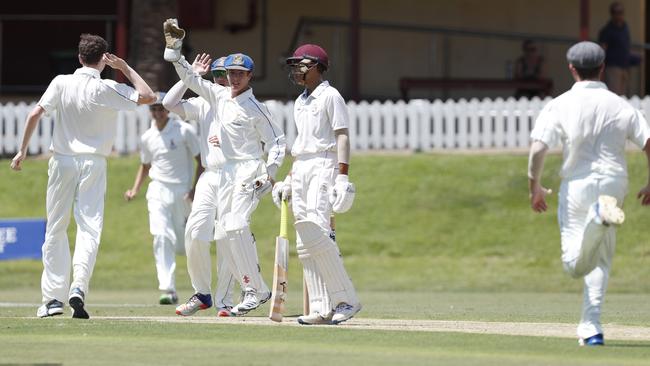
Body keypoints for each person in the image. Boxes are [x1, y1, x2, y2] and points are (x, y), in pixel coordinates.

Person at [9, 34, 156, 319]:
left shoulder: (61, 82)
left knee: (56, 228)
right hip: (94, 163)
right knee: (89, 228)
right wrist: (124, 67)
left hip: (62, 161)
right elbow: (149, 96)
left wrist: (22, 151)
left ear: (79, 58)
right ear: (104, 59)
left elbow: (34, 115)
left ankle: (52, 299)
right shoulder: (108, 87)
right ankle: (78, 286)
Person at [527, 41, 650, 346]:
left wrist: (535, 187)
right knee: (600, 258)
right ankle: (591, 327)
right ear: (603, 67)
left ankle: (597, 220)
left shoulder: (560, 104)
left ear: (572, 69)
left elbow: (539, 148)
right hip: (613, 185)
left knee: (574, 265)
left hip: (577, 186)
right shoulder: (621, 105)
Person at [163, 18, 287, 316]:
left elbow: (278, 143)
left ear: (249, 76)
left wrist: (269, 175)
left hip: (249, 171)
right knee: (198, 230)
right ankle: (210, 292)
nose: (233, 78)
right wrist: (174, 51)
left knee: (234, 227)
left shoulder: (256, 107)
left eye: (239, 74)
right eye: (230, 73)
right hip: (223, 173)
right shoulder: (217, 95)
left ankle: (254, 289)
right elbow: (191, 82)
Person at [273, 44, 362, 325]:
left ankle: (346, 300)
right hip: (302, 167)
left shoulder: (331, 96)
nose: (296, 70)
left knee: (319, 235)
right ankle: (323, 307)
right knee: (304, 241)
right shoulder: (300, 101)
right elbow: (301, 146)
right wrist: (289, 178)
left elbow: (342, 136)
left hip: (324, 165)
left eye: (301, 64)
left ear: (317, 66)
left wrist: (343, 175)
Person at [163, 54, 242, 317]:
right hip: (209, 175)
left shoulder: (243, 104)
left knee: (226, 237)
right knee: (194, 233)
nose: (222, 81)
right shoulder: (204, 103)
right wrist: (190, 75)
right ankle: (202, 293)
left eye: (226, 76)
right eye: (217, 76)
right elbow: (169, 102)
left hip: (235, 174)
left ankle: (227, 300)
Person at [124, 92, 202, 305]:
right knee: (161, 236)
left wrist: (195, 189)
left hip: (183, 192)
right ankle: (168, 289)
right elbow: (145, 165)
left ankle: (202, 288)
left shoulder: (185, 130)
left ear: (168, 109)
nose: (157, 112)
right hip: (157, 190)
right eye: (154, 109)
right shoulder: (147, 137)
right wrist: (134, 189)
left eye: (161, 108)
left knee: (186, 243)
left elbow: (201, 161)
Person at [598, 2, 640, 96]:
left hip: (625, 66)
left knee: (623, 96)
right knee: (614, 95)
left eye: (621, 12)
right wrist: (601, 71)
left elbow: (626, 46)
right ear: (612, 14)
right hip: (613, 68)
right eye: (615, 12)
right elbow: (602, 50)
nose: (618, 14)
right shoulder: (607, 30)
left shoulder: (625, 27)